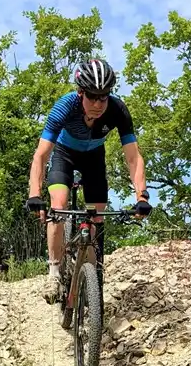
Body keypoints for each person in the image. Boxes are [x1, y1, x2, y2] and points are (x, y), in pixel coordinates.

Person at [25, 59, 151, 302]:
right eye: (92, 96)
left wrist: (141, 196)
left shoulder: (117, 110)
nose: (97, 104)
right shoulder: (65, 106)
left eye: (103, 97)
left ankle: (91, 279)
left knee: (97, 215)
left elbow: (133, 157)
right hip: (64, 154)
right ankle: (54, 272)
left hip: (94, 157)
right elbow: (41, 155)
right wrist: (34, 194)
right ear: (81, 92)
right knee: (58, 206)